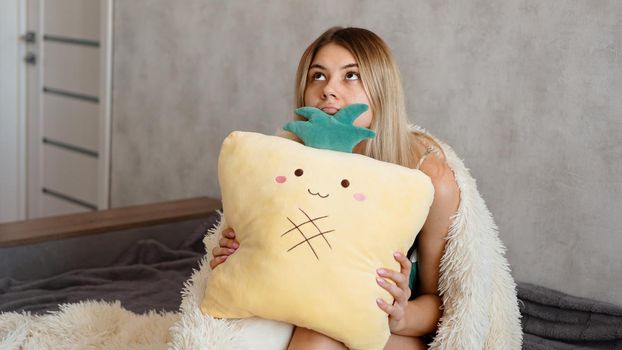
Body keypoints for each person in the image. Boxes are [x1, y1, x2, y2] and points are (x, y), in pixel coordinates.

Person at [209, 27, 482, 349]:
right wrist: (241, 252)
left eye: (351, 76)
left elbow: (443, 305)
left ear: (380, 87)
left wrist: (401, 314)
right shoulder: (287, 159)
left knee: (320, 334)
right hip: (301, 309)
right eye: (318, 76)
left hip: (391, 330)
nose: (329, 90)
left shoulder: (427, 175)